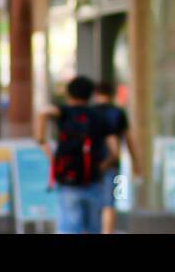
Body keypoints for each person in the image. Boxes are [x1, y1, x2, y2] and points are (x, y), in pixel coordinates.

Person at [35, 75, 117, 234]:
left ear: (69, 94)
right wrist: (102, 167)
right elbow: (114, 152)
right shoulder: (98, 117)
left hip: (68, 182)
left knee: (69, 227)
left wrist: (42, 142)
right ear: (90, 95)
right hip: (93, 180)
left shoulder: (64, 112)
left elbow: (42, 112)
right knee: (93, 227)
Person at [93, 81, 141, 233]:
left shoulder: (90, 112)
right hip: (112, 162)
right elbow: (129, 140)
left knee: (92, 201)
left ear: (96, 94)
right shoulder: (118, 113)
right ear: (112, 95)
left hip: (91, 164)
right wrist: (136, 164)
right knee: (109, 203)